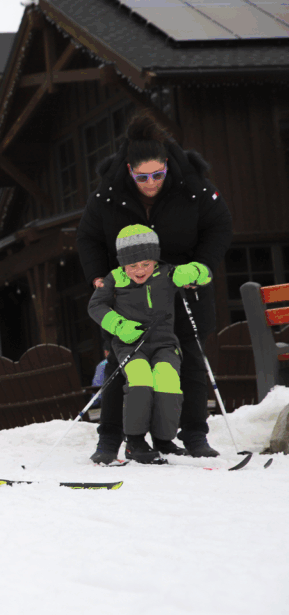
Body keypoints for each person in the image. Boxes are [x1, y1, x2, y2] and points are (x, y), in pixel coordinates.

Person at [76, 112, 233, 463]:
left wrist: (202, 266)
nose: (151, 183)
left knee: (187, 363)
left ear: (167, 165)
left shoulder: (194, 188)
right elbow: (86, 237)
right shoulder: (108, 196)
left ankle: (193, 435)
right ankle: (111, 440)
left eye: (158, 175)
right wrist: (98, 276)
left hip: (183, 290)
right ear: (129, 170)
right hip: (126, 294)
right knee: (124, 365)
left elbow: (220, 227)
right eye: (142, 176)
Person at [88, 225, 213, 464]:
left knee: (168, 380)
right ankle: (134, 442)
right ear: (123, 264)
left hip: (165, 344)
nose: (139, 270)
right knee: (140, 378)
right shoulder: (114, 278)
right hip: (130, 345)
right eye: (133, 266)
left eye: (146, 264)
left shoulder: (167, 273)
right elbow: (95, 306)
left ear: (155, 260)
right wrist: (119, 326)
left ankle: (163, 440)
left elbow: (205, 275)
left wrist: (193, 271)